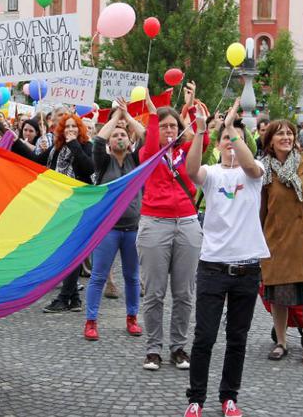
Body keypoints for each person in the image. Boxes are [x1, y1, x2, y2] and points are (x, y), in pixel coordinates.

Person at [183, 99, 269, 417]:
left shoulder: (254, 175)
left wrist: (231, 128)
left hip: (247, 268)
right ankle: (196, 399)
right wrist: (203, 130)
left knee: (237, 338)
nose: (231, 146)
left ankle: (229, 397)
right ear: (218, 147)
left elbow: (248, 164)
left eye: (235, 141)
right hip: (212, 267)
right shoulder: (213, 174)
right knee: (204, 336)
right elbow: (191, 170)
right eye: (225, 142)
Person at [137, 82, 207, 371]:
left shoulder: (186, 150)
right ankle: (153, 349)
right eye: (163, 126)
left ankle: (179, 347)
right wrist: (153, 116)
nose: (168, 130)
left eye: (172, 125)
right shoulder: (147, 154)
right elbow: (152, 145)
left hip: (187, 224)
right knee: (154, 292)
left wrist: (190, 111)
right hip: (155, 224)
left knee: (184, 292)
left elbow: (200, 140)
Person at [259, 119, 303, 367]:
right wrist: (259, 239)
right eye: (280, 134)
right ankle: (281, 342)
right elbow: (262, 208)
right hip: (278, 238)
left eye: (290, 133)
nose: (286, 137)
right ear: (270, 141)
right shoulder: (264, 169)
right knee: (279, 294)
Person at [83, 101, 146, 340]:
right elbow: (98, 139)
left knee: (132, 277)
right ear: (111, 143)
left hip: (132, 229)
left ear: (129, 142)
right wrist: (116, 115)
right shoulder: (102, 162)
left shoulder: (137, 160)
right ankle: (91, 321)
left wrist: (127, 117)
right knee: (98, 276)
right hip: (108, 230)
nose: (119, 137)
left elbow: (147, 136)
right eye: (115, 135)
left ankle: (132, 318)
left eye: (123, 135)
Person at [37, 113, 95, 313]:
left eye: (74, 126)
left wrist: (74, 146)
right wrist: (7, 133)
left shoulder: (86, 146)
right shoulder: (55, 150)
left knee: (72, 250)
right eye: (67, 126)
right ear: (61, 130)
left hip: (79, 206)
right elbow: (34, 160)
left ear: (80, 129)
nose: (70, 129)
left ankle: (63, 298)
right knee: (67, 250)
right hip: (60, 205)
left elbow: (89, 169)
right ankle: (75, 299)